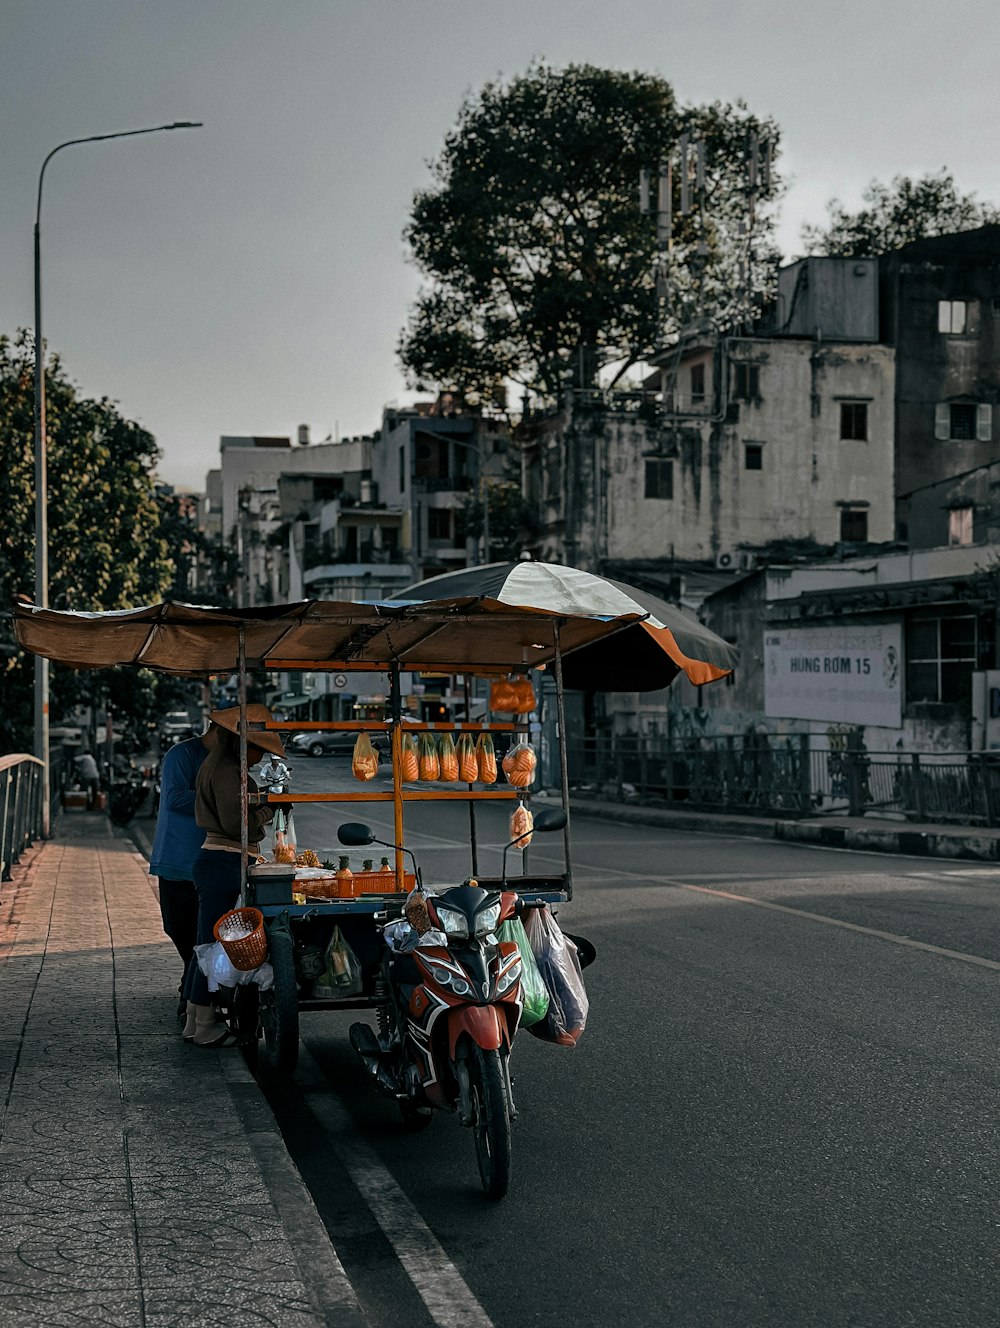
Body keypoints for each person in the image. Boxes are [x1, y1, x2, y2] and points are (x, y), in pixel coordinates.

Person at [182, 704, 284, 1048]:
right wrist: (269, 811)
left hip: (215, 861)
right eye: (258, 749)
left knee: (205, 945)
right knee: (211, 946)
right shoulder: (227, 771)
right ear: (242, 744)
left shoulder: (217, 765)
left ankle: (196, 1020)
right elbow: (236, 824)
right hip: (224, 862)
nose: (259, 757)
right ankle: (206, 1023)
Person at [148, 722, 218, 1020]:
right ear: (218, 731)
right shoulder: (182, 755)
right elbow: (174, 797)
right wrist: (219, 802)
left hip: (211, 859)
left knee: (204, 933)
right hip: (176, 857)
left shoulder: (227, 759)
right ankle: (191, 987)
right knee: (177, 927)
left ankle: (191, 994)